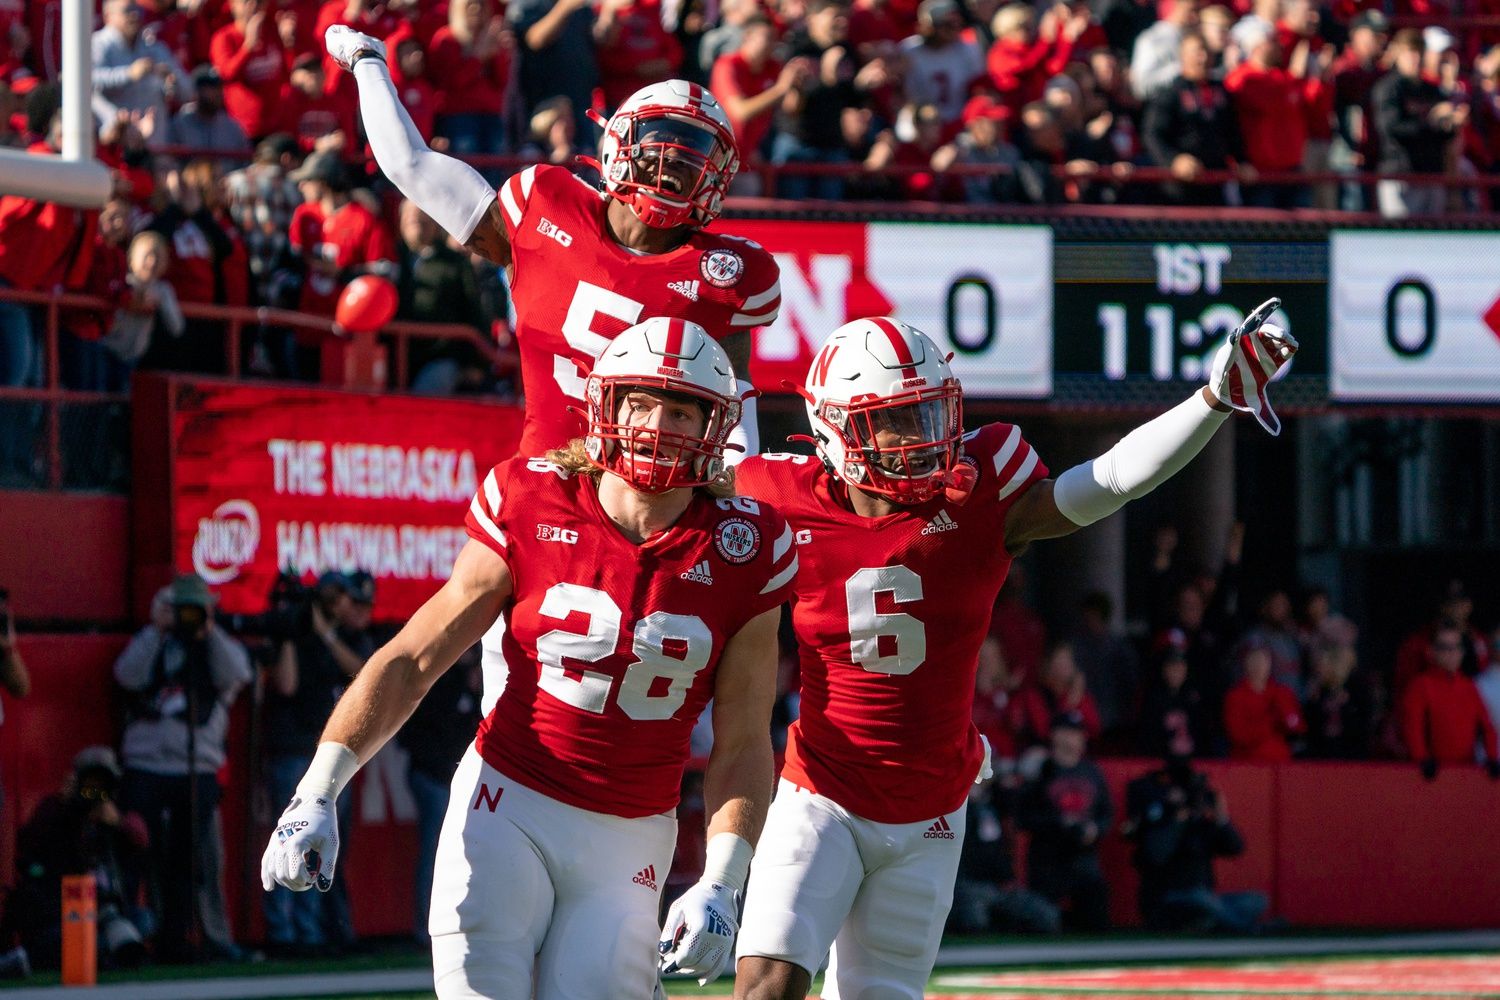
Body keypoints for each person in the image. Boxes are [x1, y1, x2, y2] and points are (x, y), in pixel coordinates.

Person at [731, 303, 1297, 999]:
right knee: (766, 985)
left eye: (929, 414)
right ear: (833, 431)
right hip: (822, 792)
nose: (922, 438)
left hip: (932, 808)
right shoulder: (775, 496)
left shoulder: (984, 485)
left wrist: (1212, 401)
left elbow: (1112, 479)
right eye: (896, 421)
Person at [262, 320, 798, 996]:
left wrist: (723, 878)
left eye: (681, 408)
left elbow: (746, 737)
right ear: (604, 404)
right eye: (638, 401)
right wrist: (319, 787)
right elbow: (413, 658)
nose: (656, 423)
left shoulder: (745, 546)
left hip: (632, 836)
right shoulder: (530, 498)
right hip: (508, 804)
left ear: (715, 425)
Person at [327, 25, 780, 461]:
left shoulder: (725, 273)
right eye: (662, 142)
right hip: (547, 485)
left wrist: (735, 490)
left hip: (658, 503)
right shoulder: (545, 206)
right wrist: (368, 62)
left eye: (695, 154)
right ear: (618, 141)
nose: (675, 162)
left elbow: (734, 403)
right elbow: (411, 165)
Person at [113, 574, 253, 963]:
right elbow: (127, 675)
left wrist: (208, 629)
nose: (187, 617)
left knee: (195, 861)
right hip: (145, 766)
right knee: (139, 854)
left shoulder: (216, 645)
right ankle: (133, 939)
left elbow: (238, 674)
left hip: (196, 770)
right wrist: (157, 630)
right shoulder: (152, 640)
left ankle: (198, 938)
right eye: (183, 610)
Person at [261, 570, 371, 956]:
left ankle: (310, 932)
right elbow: (286, 684)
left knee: (320, 847)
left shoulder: (344, 638)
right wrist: (294, 630)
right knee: (290, 839)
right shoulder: (293, 634)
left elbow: (362, 672)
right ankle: (282, 933)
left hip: (330, 755)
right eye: (337, 595)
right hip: (293, 749)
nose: (343, 603)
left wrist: (325, 633)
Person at [3, 747, 149, 972]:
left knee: (143, 921)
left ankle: (105, 952)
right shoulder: (55, 808)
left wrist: (117, 823)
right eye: (89, 782)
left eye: (101, 783)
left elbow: (141, 840)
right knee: (65, 941)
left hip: (107, 910)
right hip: (65, 911)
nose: (94, 790)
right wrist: (65, 807)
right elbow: (28, 845)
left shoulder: (116, 810)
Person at [396, 642, 483, 945]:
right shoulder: (441, 683)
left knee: (465, 853)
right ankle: (428, 926)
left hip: (459, 778)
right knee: (436, 854)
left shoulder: (474, 686)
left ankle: (457, 922)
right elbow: (424, 733)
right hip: (434, 775)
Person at [1124, 754, 1268, 932]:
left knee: (1256, 900)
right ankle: (1248, 929)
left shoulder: (1201, 822)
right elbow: (1156, 855)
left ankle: (1208, 923)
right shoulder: (1158, 817)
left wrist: (1222, 819)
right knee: (1202, 901)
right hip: (1168, 898)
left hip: (1203, 895)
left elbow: (1235, 848)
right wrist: (1177, 820)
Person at [1016, 713, 1112, 931]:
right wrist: (1058, 823)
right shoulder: (1041, 771)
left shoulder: (1092, 772)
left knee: (1095, 924)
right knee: (1044, 924)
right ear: (1054, 736)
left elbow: (1106, 815)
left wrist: (1094, 829)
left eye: (1077, 734)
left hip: (1083, 859)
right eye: (1067, 733)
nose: (1073, 739)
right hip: (1048, 860)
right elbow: (1024, 818)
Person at [1401, 623, 1500, 780]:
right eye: (1444, 647)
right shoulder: (1420, 686)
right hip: (1433, 774)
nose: (1451, 653)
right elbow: (1413, 727)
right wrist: (1421, 758)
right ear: (1431, 651)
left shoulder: (1469, 686)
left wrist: (1492, 758)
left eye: (1456, 647)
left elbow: (1487, 726)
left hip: (1467, 772)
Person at [1223, 639, 1305, 761]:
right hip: (1247, 763)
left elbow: (1297, 726)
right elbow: (1238, 734)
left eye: (1263, 660)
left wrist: (1284, 717)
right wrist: (1269, 722)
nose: (1258, 665)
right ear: (1245, 663)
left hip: (1280, 764)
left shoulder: (1282, 693)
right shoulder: (1235, 696)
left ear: (1270, 663)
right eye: (1253, 660)